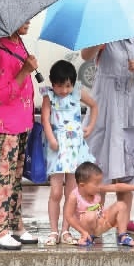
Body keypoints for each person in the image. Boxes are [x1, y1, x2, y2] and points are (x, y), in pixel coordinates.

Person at [80, 36, 134, 236]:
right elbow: (85, 55)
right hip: (106, 105)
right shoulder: (104, 35)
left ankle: (124, 219)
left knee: (127, 164)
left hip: (132, 106)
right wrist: (99, 39)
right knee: (99, 163)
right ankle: (96, 220)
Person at [0, 20, 40, 250]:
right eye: (24, 18)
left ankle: (15, 225)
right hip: (2, 125)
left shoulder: (19, 44)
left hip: (20, 122)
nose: (28, 21)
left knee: (15, 179)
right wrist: (26, 70)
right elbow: (2, 94)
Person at [40, 60, 98, 246]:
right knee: (56, 192)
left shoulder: (77, 92)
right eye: (59, 85)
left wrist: (89, 126)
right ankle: (53, 230)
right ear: (52, 83)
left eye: (67, 85)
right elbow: (45, 120)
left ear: (72, 83)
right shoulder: (49, 96)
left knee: (72, 193)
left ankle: (66, 230)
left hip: (75, 148)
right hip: (57, 148)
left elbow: (94, 106)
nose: (63, 90)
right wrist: (51, 139)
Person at [64, 162, 134, 246]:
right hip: (87, 227)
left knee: (121, 205)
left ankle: (123, 236)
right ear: (82, 185)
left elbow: (116, 187)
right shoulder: (74, 196)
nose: (99, 186)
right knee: (90, 215)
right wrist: (82, 232)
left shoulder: (96, 189)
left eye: (100, 182)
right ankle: (87, 237)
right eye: (96, 184)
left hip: (102, 223)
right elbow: (69, 216)